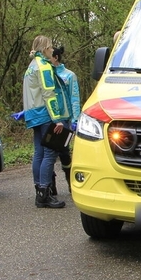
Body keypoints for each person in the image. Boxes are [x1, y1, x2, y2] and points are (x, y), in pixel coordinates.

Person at [21, 35, 71, 209]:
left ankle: (39, 191)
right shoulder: (44, 67)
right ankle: (44, 192)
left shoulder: (31, 67)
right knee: (49, 154)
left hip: (33, 114)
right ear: (44, 49)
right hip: (45, 114)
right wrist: (57, 119)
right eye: (50, 47)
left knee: (39, 153)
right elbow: (49, 94)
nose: (52, 50)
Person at [49, 45, 81, 198]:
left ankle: (70, 181)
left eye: (49, 56)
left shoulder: (69, 76)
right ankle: (51, 185)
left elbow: (74, 98)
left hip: (65, 119)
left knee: (64, 152)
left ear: (55, 57)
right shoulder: (46, 74)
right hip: (49, 118)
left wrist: (75, 119)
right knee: (49, 152)